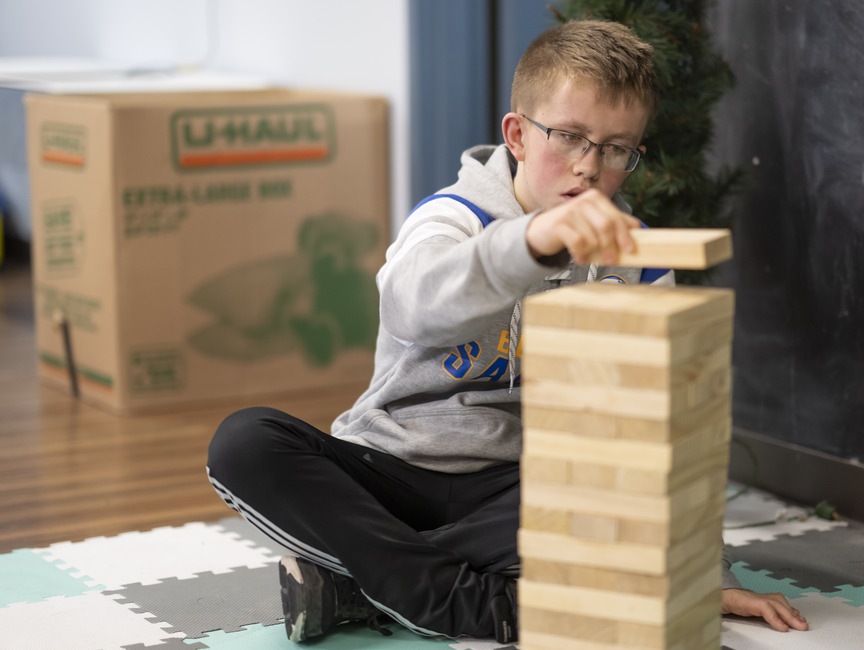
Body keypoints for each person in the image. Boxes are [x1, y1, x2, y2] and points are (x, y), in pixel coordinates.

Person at [206, 19, 808, 645]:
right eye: (570, 137)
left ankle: (366, 583)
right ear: (518, 136)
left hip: (521, 490)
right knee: (245, 442)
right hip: (393, 468)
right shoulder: (451, 218)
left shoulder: (641, 257)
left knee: (633, 500)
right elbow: (412, 307)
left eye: (617, 149)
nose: (590, 167)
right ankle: (474, 601)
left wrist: (701, 575)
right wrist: (531, 244)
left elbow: (668, 426)